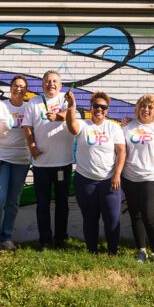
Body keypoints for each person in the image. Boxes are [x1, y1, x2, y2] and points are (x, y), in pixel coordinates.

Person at [66, 90, 126, 254]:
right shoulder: (84, 125)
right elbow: (72, 127)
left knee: (112, 218)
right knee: (90, 219)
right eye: (96, 106)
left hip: (109, 181)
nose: (99, 109)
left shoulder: (113, 127)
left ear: (107, 110)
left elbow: (121, 152)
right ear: (91, 107)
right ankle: (92, 250)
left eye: (103, 107)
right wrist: (71, 106)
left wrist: (117, 174)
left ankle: (112, 251)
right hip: (85, 180)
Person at [23, 70, 75, 250]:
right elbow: (27, 127)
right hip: (41, 164)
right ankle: (45, 240)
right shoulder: (34, 102)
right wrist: (32, 147)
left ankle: (61, 239)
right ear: (42, 84)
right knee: (42, 204)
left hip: (63, 163)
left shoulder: (66, 99)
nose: (50, 84)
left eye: (54, 81)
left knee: (62, 204)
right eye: (47, 81)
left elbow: (73, 116)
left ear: (60, 85)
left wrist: (59, 115)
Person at [121, 94, 154, 264]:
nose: (146, 110)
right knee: (135, 215)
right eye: (143, 106)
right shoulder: (127, 128)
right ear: (138, 109)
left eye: (150, 107)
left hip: (151, 179)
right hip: (130, 178)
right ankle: (141, 250)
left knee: (149, 215)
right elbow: (121, 152)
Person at [0, 75, 31, 255]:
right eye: (15, 85)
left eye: (22, 86)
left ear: (26, 90)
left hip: (21, 159)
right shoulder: (1, 106)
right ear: (10, 88)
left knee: (13, 201)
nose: (18, 89)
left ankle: (6, 237)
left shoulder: (29, 108)